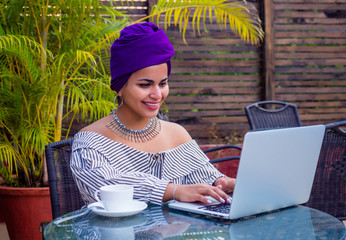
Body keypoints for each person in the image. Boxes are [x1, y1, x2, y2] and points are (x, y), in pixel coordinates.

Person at [70, 22, 235, 207]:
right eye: (145, 85)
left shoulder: (177, 134)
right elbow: (105, 186)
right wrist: (174, 191)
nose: (157, 94)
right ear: (120, 87)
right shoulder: (91, 143)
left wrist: (226, 184)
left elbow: (207, 176)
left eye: (163, 83)